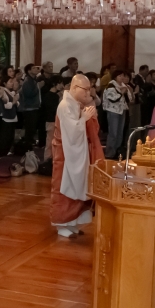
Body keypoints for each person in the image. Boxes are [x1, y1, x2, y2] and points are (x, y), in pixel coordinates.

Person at [51, 75, 105, 237]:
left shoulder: (77, 104)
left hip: (78, 152)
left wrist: (90, 116)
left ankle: (73, 223)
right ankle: (62, 224)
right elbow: (72, 132)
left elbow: (88, 130)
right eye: (85, 89)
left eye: (90, 89)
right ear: (74, 88)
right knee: (64, 188)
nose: (88, 92)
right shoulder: (65, 105)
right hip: (66, 154)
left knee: (80, 186)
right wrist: (84, 118)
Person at [102, 71, 134, 160]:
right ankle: (109, 153)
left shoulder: (124, 86)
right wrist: (121, 92)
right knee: (113, 133)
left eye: (123, 75)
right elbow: (112, 98)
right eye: (119, 75)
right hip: (113, 111)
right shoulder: (111, 86)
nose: (122, 77)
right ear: (115, 77)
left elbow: (130, 99)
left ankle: (117, 151)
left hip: (122, 110)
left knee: (120, 133)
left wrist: (129, 91)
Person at [19, 64, 42, 148]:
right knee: (30, 129)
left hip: (34, 107)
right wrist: (38, 87)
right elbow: (28, 94)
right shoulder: (28, 80)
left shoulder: (34, 80)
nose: (36, 69)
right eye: (33, 68)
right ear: (29, 71)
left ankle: (29, 146)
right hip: (29, 108)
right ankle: (27, 148)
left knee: (32, 129)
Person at [0, 75, 20, 157]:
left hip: (13, 117)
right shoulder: (3, 91)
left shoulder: (11, 92)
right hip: (6, 117)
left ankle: (6, 152)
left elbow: (17, 103)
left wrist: (15, 101)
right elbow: (7, 106)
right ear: (4, 83)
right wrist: (14, 101)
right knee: (4, 138)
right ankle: (1, 153)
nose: (12, 84)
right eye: (10, 82)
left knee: (10, 137)